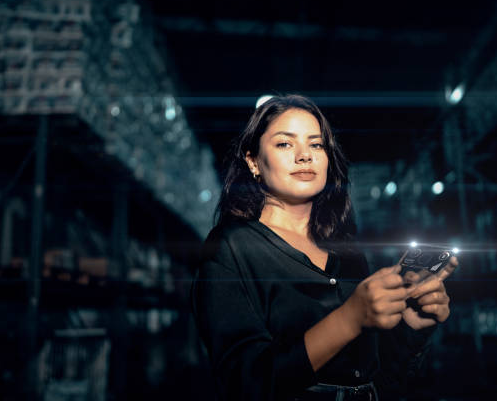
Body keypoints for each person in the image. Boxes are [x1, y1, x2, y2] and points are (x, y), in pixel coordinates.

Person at [191, 95, 457, 401]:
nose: (305, 156)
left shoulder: (347, 252)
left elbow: (380, 376)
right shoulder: (230, 248)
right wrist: (349, 318)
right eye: (285, 144)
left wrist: (412, 326)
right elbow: (243, 382)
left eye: (316, 144)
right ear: (253, 161)